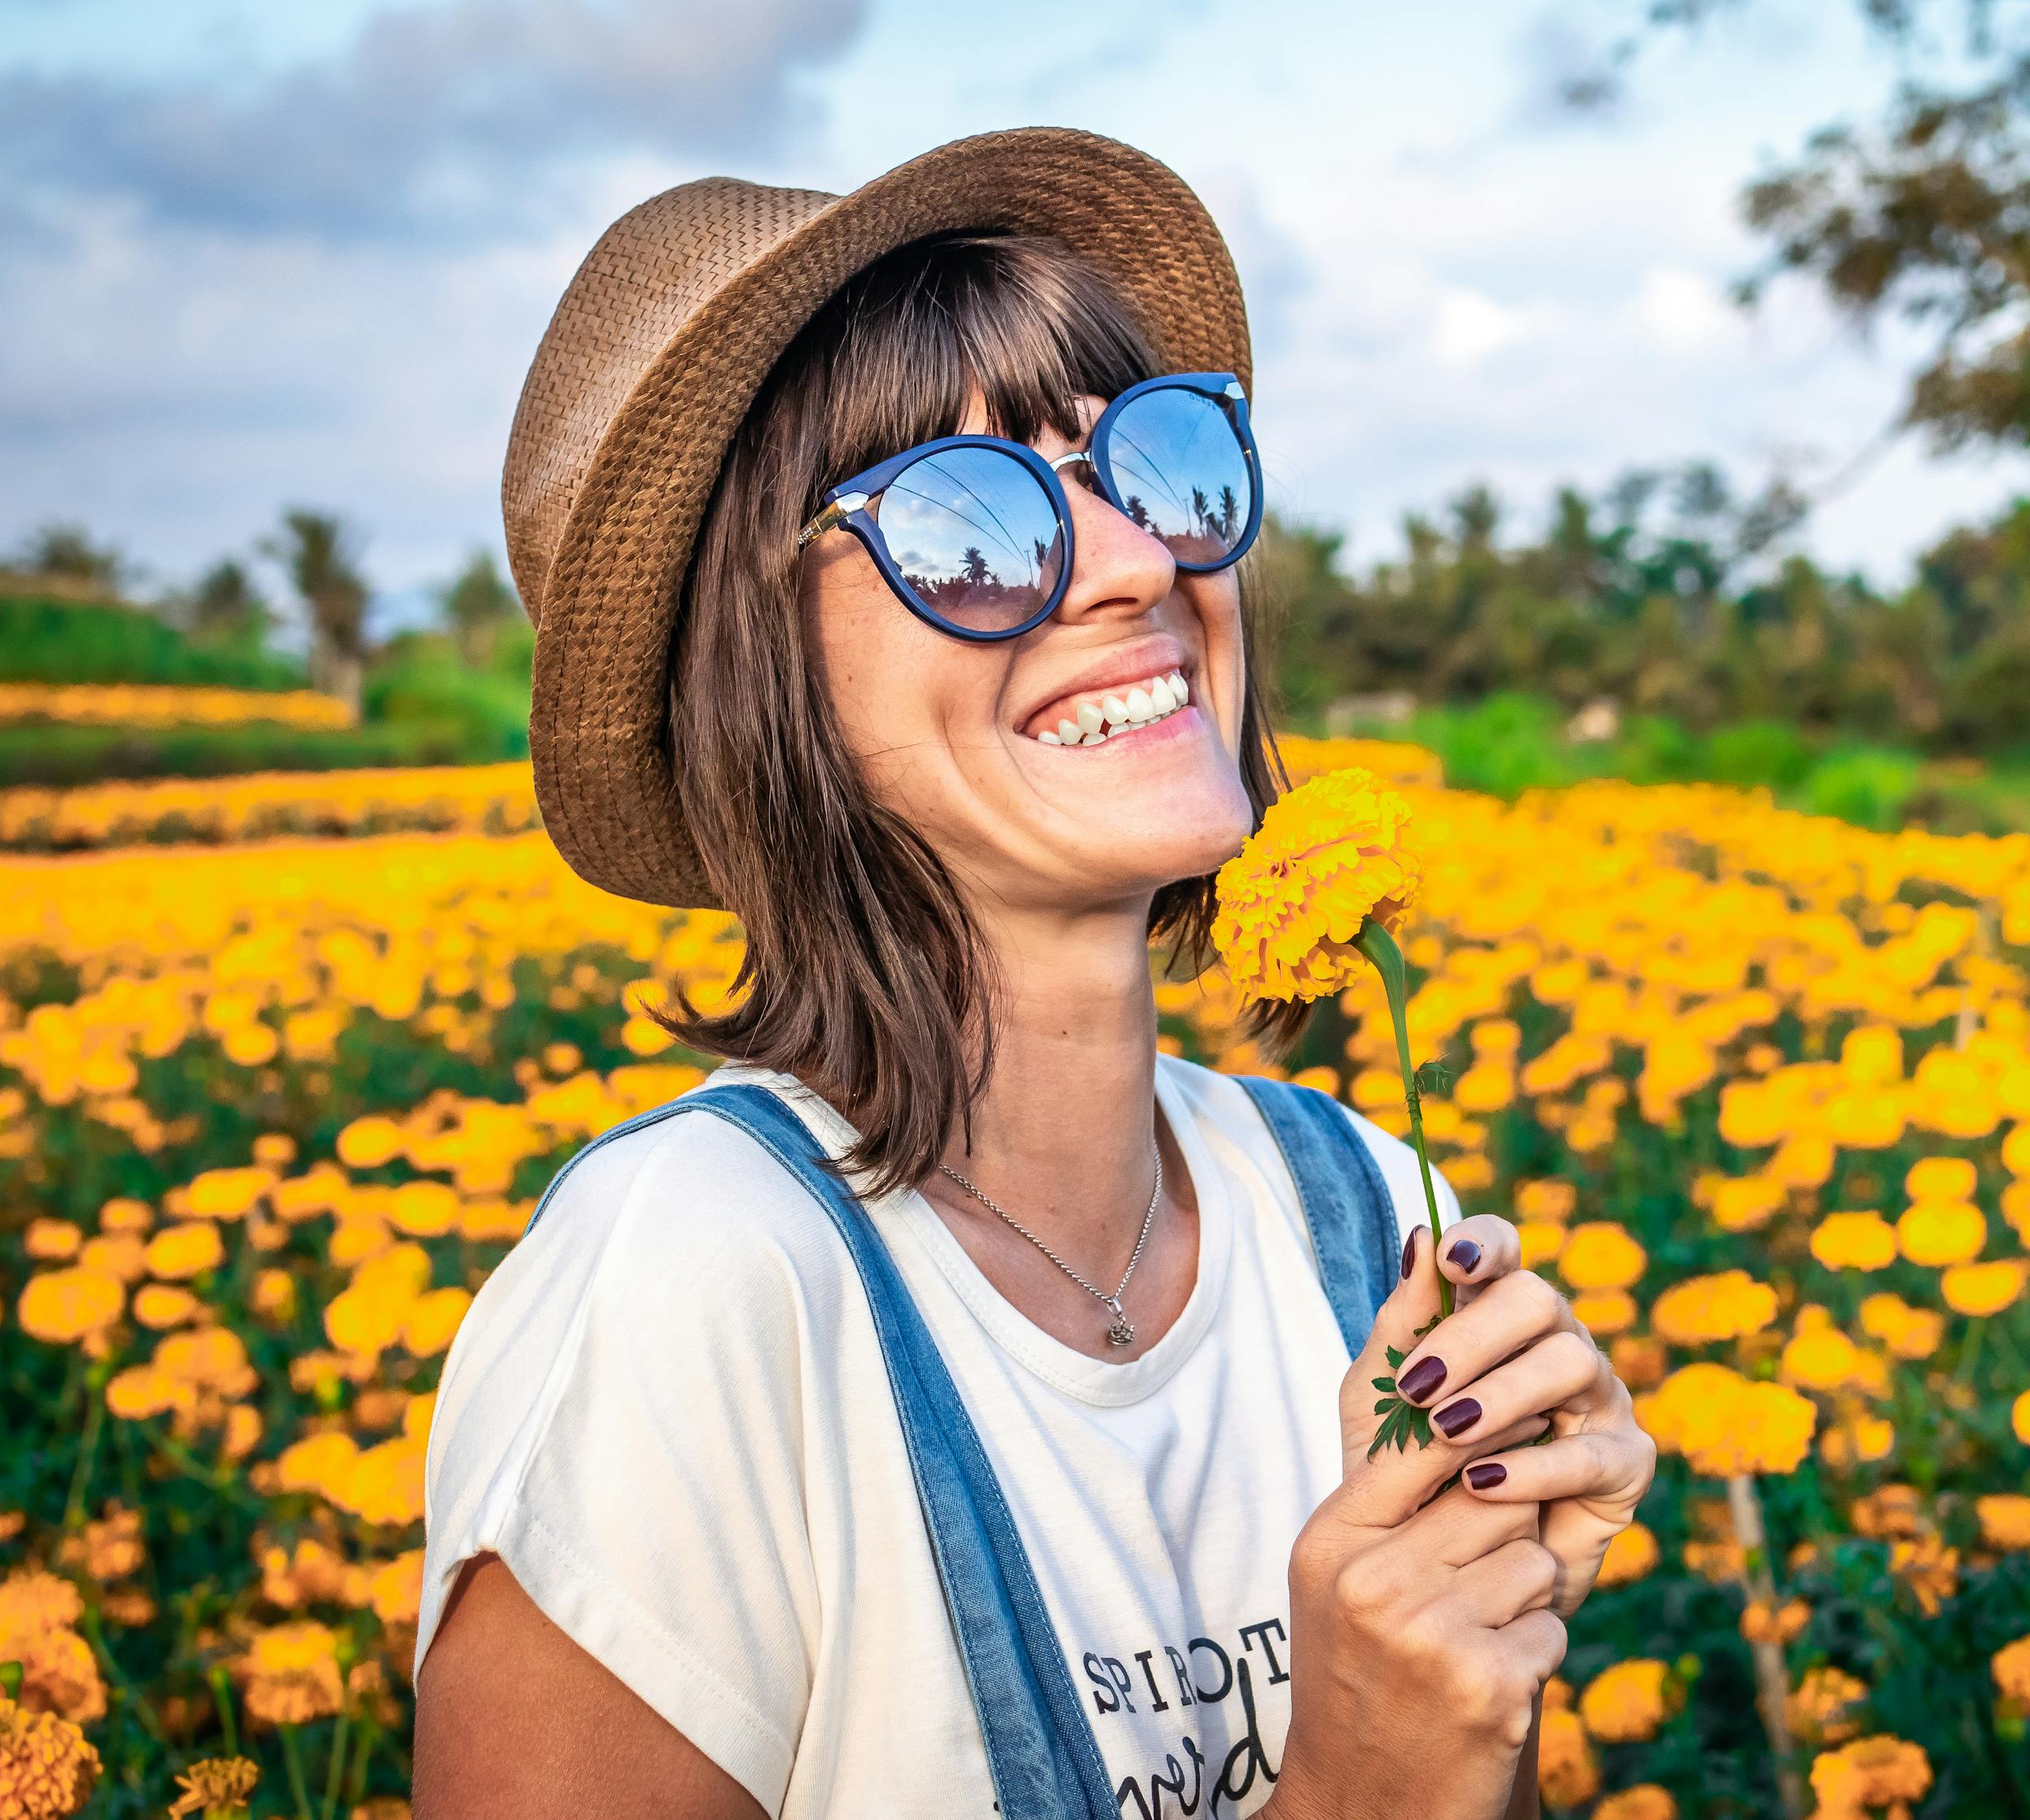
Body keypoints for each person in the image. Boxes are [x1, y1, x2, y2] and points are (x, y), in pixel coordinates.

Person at [410, 128, 1654, 1820]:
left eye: (1149, 467)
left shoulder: (1358, 1211)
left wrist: (1466, 1672)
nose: (1138, 564)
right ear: (756, 685)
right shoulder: (698, 1284)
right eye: (966, 522)